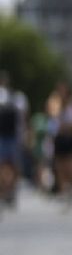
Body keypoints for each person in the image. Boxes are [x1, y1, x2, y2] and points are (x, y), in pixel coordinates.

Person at [0, 73, 29, 208]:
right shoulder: (18, 97)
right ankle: (9, 190)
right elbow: (23, 118)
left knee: (4, 166)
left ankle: (5, 190)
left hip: (3, 136)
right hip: (14, 136)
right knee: (13, 165)